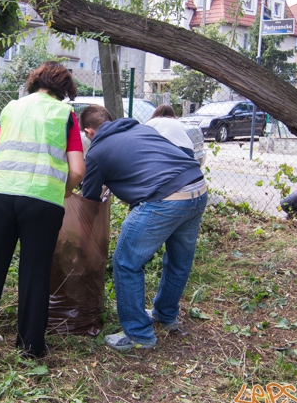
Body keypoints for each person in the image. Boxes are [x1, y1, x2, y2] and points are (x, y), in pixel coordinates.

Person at [0, 62, 85, 360]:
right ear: (64, 91)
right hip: (42, 202)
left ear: (35, 82)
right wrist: (63, 190)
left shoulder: (10, 108)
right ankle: (30, 347)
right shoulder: (64, 114)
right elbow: (77, 168)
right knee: (34, 273)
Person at [79, 104, 206, 351]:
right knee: (179, 260)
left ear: (88, 131)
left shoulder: (97, 152)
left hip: (165, 200)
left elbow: (89, 201)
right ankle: (166, 315)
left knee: (126, 262)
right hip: (198, 189)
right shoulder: (142, 130)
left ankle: (138, 333)